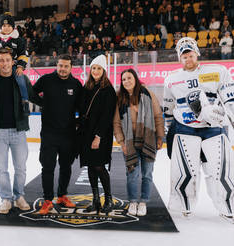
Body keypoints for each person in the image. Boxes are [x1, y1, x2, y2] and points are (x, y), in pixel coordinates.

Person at [163, 37, 234, 220]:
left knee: (220, 170)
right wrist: (167, 131)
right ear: (180, 58)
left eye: (190, 54)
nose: (188, 59)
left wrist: (222, 115)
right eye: (184, 56)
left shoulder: (217, 72)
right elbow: (168, 108)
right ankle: (183, 206)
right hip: (185, 130)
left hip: (213, 129)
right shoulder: (172, 80)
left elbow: (230, 101)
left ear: (197, 53)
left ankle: (228, 206)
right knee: (187, 171)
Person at [0, 48, 41, 214]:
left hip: (18, 131)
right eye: (1, 60)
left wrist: (54, 106)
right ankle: (6, 199)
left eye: (7, 60)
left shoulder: (21, 78)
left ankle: (19, 196)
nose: (4, 64)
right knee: (1, 169)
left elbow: (34, 96)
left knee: (21, 168)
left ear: (13, 61)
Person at [32, 54, 83, 215]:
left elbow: (81, 107)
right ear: (57, 65)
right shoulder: (46, 79)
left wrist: (78, 123)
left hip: (68, 134)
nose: (62, 69)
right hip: (49, 133)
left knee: (66, 167)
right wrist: (43, 104)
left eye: (66, 66)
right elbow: (32, 93)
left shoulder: (76, 84)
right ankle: (47, 200)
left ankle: (62, 196)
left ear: (71, 67)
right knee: (48, 167)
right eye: (60, 65)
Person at [113, 68, 164, 216]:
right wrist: (121, 142)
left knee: (147, 173)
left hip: (148, 139)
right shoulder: (119, 98)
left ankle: (143, 201)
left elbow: (158, 116)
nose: (126, 81)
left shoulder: (148, 94)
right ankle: (133, 201)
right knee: (132, 173)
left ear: (135, 78)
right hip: (129, 142)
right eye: (123, 79)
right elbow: (116, 123)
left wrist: (160, 137)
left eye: (129, 78)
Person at [77, 55, 117, 213]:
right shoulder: (86, 87)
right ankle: (95, 200)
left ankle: (108, 199)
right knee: (90, 166)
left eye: (99, 68)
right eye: (93, 68)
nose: (95, 71)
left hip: (101, 135)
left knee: (99, 166)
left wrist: (98, 137)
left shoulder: (108, 90)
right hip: (86, 133)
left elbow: (107, 116)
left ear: (104, 71)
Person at [0, 12, 29, 113]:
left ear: (13, 27)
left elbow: (23, 54)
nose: (6, 28)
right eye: (4, 25)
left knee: (20, 78)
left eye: (9, 25)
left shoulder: (19, 40)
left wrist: (20, 67)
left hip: (13, 67)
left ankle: (25, 102)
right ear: (0, 27)